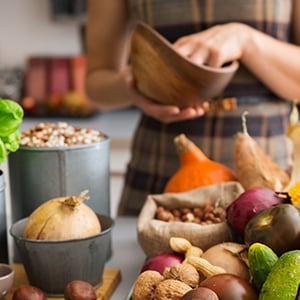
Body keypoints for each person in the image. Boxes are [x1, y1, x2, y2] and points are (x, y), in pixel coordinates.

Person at [85, 0, 300, 216]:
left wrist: (246, 40)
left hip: (268, 188)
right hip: (158, 184)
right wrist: (134, 83)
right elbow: (96, 83)